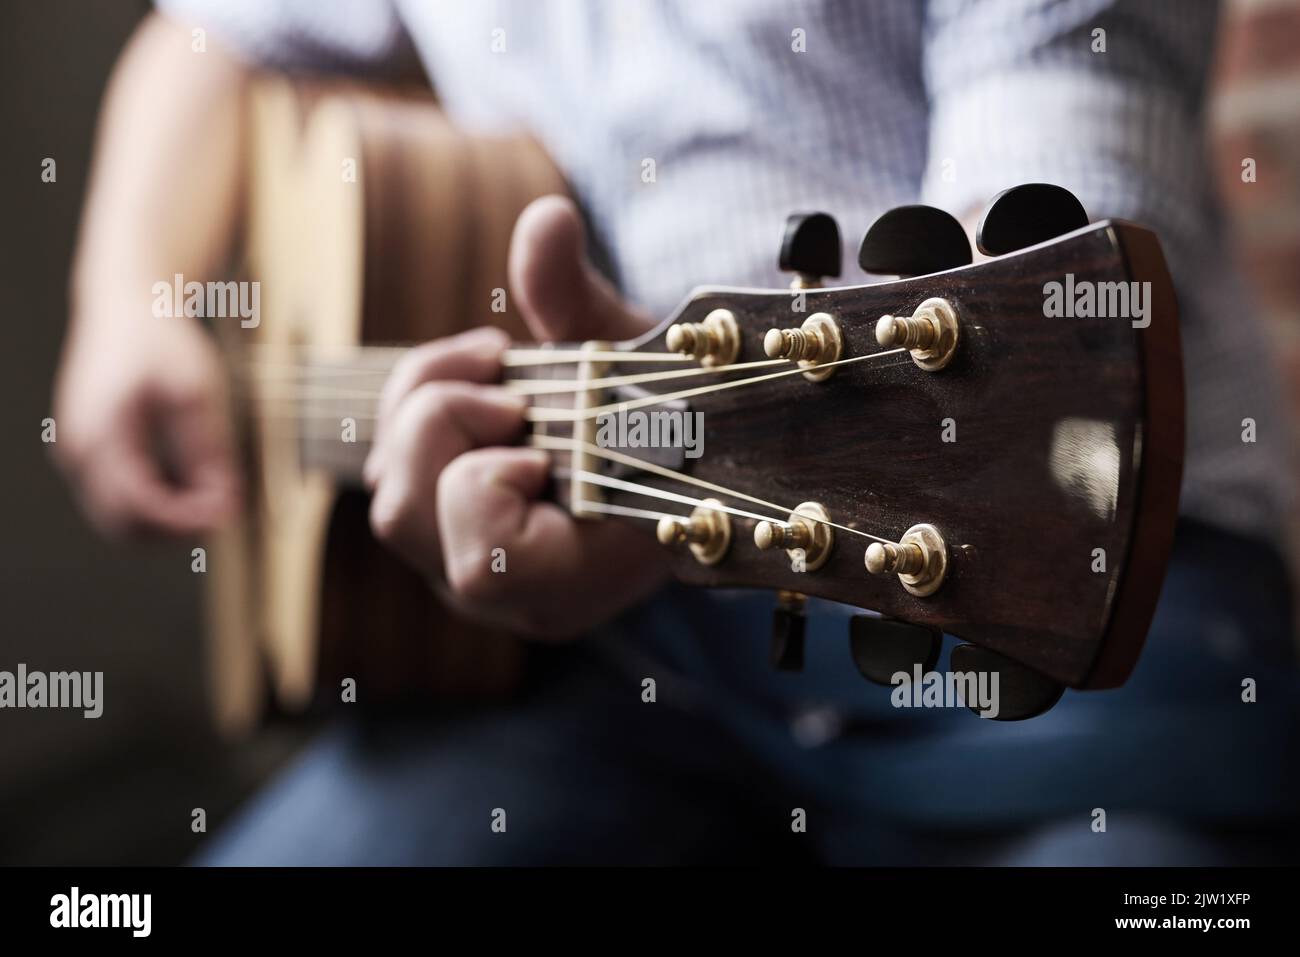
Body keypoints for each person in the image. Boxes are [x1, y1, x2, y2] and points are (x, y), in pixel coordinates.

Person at [55, 1, 1300, 864]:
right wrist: (128, 303)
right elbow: (204, 35)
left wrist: (691, 444)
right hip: (625, 650)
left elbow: (1045, 288)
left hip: (1075, 588)